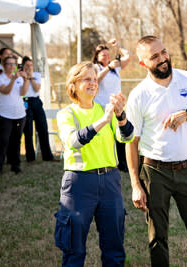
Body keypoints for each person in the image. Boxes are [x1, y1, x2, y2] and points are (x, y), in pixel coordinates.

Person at [126, 36, 187, 267]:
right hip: (155, 173)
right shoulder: (139, 94)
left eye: (164, 52)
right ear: (143, 64)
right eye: (154, 56)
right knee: (157, 239)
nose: (163, 59)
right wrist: (136, 185)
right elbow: (131, 143)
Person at [54, 62, 134, 267]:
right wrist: (103, 120)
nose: (93, 83)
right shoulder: (66, 114)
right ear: (74, 85)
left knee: (114, 249)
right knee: (74, 248)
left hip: (110, 182)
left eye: (94, 78)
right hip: (80, 183)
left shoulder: (104, 109)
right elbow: (73, 142)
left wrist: (120, 115)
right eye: (86, 79)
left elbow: (127, 137)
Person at [92, 39, 131, 172]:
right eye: (103, 55)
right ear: (97, 56)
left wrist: (118, 46)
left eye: (108, 55)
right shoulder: (96, 67)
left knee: (120, 134)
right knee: (104, 135)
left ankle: (122, 162)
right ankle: (104, 161)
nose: (107, 57)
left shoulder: (115, 68)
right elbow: (95, 80)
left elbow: (128, 56)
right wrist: (108, 68)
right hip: (101, 106)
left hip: (116, 105)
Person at [0, 56, 29, 175]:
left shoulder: (19, 78)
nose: (12, 66)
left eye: (14, 64)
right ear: (3, 65)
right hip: (4, 114)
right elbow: (6, 91)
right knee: (2, 141)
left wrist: (26, 79)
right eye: (9, 64)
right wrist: (13, 79)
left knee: (16, 140)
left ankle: (15, 165)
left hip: (19, 114)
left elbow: (23, 92)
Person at [21, 56, 56, 162]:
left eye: (31, 65)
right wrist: (25, 77)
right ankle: (30, 157)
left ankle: (47, 156)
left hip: (36, 101)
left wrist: (30, 77)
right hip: (25, 102)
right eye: (27, 65)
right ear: (23, 66)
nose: (29, 67)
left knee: (43, 128)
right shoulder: (19, 76)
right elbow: (22, 90)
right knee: (28, 131)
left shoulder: (36, 75)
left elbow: (37, 88)